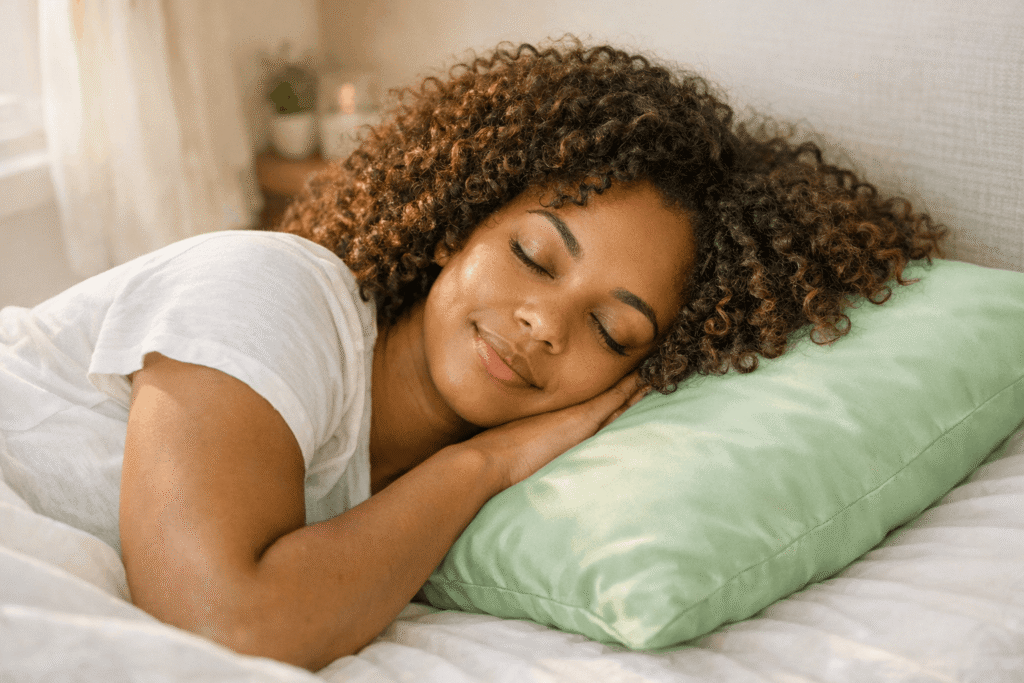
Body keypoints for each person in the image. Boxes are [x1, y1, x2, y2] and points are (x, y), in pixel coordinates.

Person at [0, 40, 945, 670]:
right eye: (533, 254)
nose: (542, 324)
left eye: (612, 332)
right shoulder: (274, 288)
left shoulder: (416, 500)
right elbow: (219, 623)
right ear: (460, 224)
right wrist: (481, 463)